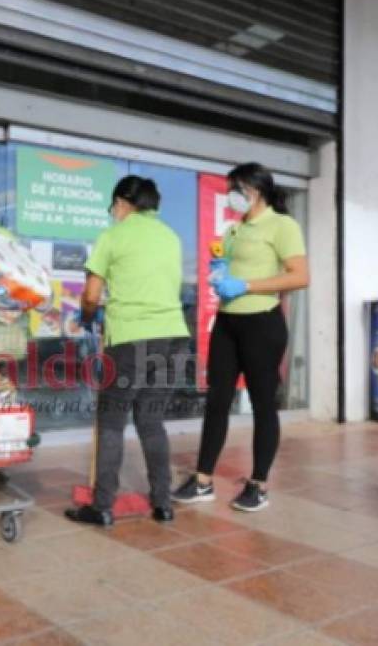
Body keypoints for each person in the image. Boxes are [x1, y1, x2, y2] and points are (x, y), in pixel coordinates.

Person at [172, 163, 308, 512]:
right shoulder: (234, 230)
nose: (231, 193)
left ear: (255, 188)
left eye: (236, 187)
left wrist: (246, 284)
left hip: (262, 323)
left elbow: (300, 276)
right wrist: (221, 276)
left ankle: (258, 485)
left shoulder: (282, 225)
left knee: (264, 405)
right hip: (227, 323)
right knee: (217, 402)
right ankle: (203, 481)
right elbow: (231, 267)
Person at [66, 176, 189, 527]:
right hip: (174, 337)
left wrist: (87, 317)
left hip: (131, 339)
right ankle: (163, 503)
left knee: (112, 421)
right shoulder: (171, 237)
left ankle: (102, 506)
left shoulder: (113, 236)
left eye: (113, 207)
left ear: (121, 203)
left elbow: (91, 295)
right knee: (152, 422)